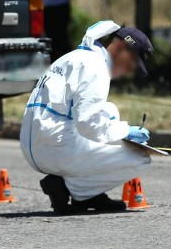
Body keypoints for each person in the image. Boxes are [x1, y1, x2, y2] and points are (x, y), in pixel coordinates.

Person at [20, 21, 154, 214]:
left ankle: (84, 190)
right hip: (53, 149)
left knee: (109, 110)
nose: (128, 71)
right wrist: (126, 131)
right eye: (132, 63)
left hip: (32, 144)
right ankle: (76, 192)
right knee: (140, 158)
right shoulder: (96, 68)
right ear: (121, 49)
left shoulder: (73, 57)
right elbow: (88, 125)